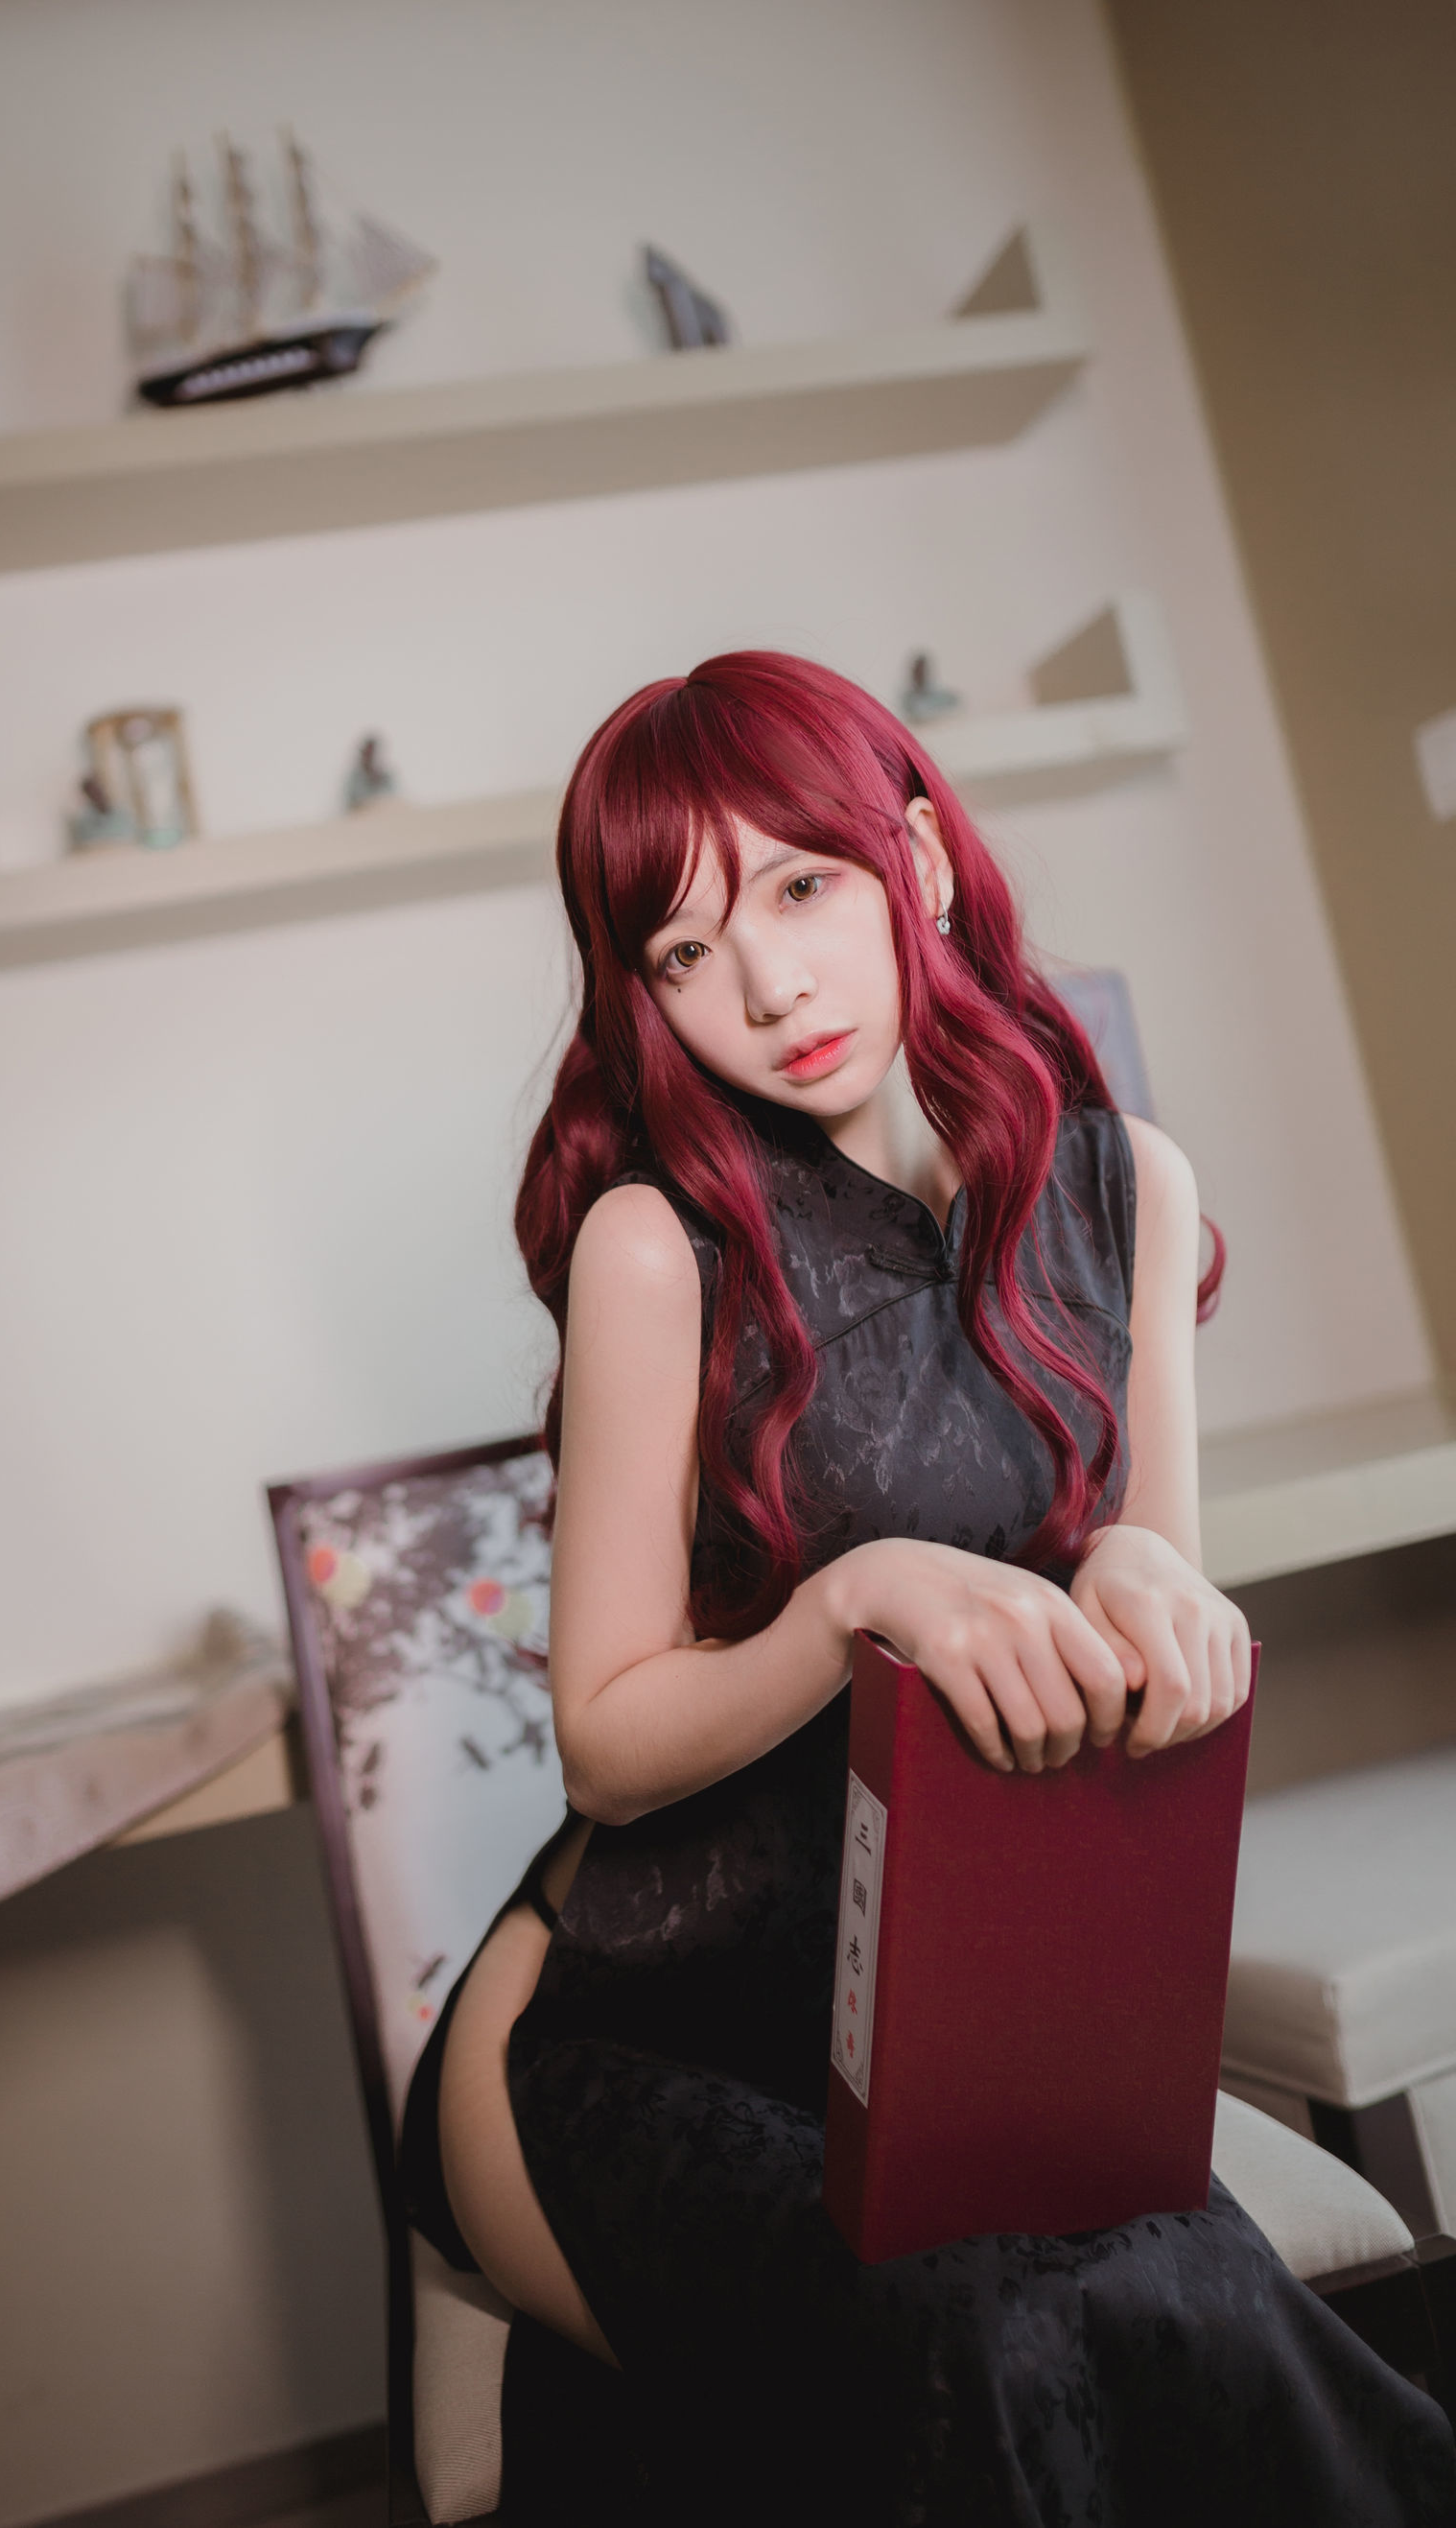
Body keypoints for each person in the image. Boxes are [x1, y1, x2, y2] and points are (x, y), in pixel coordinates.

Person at [400, 651, 1455, 2523]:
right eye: (686, 951)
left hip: (960, 2028)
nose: (770, 988)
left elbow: (1148, 1619)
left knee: (1190, 2319)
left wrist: (1142, 1567)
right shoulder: (658, 1246)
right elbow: (606, 1748)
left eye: (802, 888)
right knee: (989, 2344)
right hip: (647, 2025)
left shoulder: (1121, 1186)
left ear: (923, 861)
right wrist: (851, 1598)